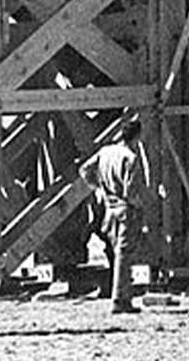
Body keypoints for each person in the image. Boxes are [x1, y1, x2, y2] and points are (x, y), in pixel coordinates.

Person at [79, 116, 148, 314]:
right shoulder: (131, 158)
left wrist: (98, 188)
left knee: (115, 251)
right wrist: (141, 206)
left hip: (109, 208)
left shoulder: (105, 151)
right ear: (137, 137)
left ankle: (118, 295)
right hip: (126, 210)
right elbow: (130, 192)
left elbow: (84, 170)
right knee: (124, 255)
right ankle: (120, 300)